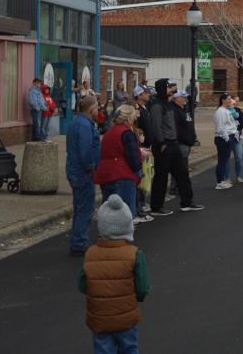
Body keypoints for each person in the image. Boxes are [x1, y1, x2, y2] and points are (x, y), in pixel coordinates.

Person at [78, 195, 149, 353]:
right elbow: (142, 287)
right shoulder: (135, 254)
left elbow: (82, 285)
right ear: (127, 226)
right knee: (129, 347)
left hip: (99, 317)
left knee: (103, 348)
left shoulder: (90, 254)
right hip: (126, 316)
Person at [150, 78, 203, 214]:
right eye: (169, 88)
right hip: (164, 144)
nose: (171, 90)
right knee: (161, 177)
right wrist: (161, 142)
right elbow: (156, 127)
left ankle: (187, 202)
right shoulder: (157, 106)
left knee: (182, 173)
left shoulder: (167, 104)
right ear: (162, 89)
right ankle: (156, 207)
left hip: (173, 143)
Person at [66, 96, 101, 256]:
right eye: (96, 107)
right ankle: (79, 243)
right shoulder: (85, 125)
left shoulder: (75, 123)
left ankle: (77, 240)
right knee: (85, 208)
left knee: (80, 206)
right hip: (82, 172)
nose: (98, 110)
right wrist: (91, 167)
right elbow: (85, 149)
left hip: (74, 169)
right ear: (91, 109)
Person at [94, 105, 142, 218]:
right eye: (133, 117)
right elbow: (132, 158)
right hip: (122, 175)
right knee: (124, 215)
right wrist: (139, 170)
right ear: (128, 118)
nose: (135, 119)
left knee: (109, 213)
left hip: (106, 175)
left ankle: (107, 234)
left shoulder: (109, 132)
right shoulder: (126, 133)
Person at [172, 90, 198, 199]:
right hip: (181, 143)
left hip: (187, 142)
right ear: (177, 98)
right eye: (183, 97)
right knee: (181, 167)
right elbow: (176, 129)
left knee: (183, 167)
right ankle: (176, 188)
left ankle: (177, 187)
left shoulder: (185, 109)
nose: (185, 99)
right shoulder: (175, 111)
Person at [133, 85, 154, 218]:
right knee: (140, 179)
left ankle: (142, 203)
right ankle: (139, 207)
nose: (148, 95)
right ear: (139, 95)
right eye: (146, 93)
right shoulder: (136, 109)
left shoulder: (145, 109)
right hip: (141, 147)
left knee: (146, 176)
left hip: (148, 147)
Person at [214, 93, 239, 191]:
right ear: (223, 100)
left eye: (230, 99)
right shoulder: (221, 111)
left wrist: (235, 135)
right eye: (228, 99)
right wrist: (227, 139)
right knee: (222, 161)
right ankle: (219, 182)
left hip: (228, 138)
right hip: (223, 139)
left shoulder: (226, 111)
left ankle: (222, 181)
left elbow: (231, 125)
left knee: (224, 161)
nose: (230, 101)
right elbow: (220, 128)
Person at [228, 97, 243, 185]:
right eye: (234, 100)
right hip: (227, 137)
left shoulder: (239, 112)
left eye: (238, 101)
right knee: (227, 158)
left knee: (238, 157)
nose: (236, 102)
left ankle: (238, 176)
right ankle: (226, 178)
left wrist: (236, 126)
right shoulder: (225, 111)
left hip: (237, 137)